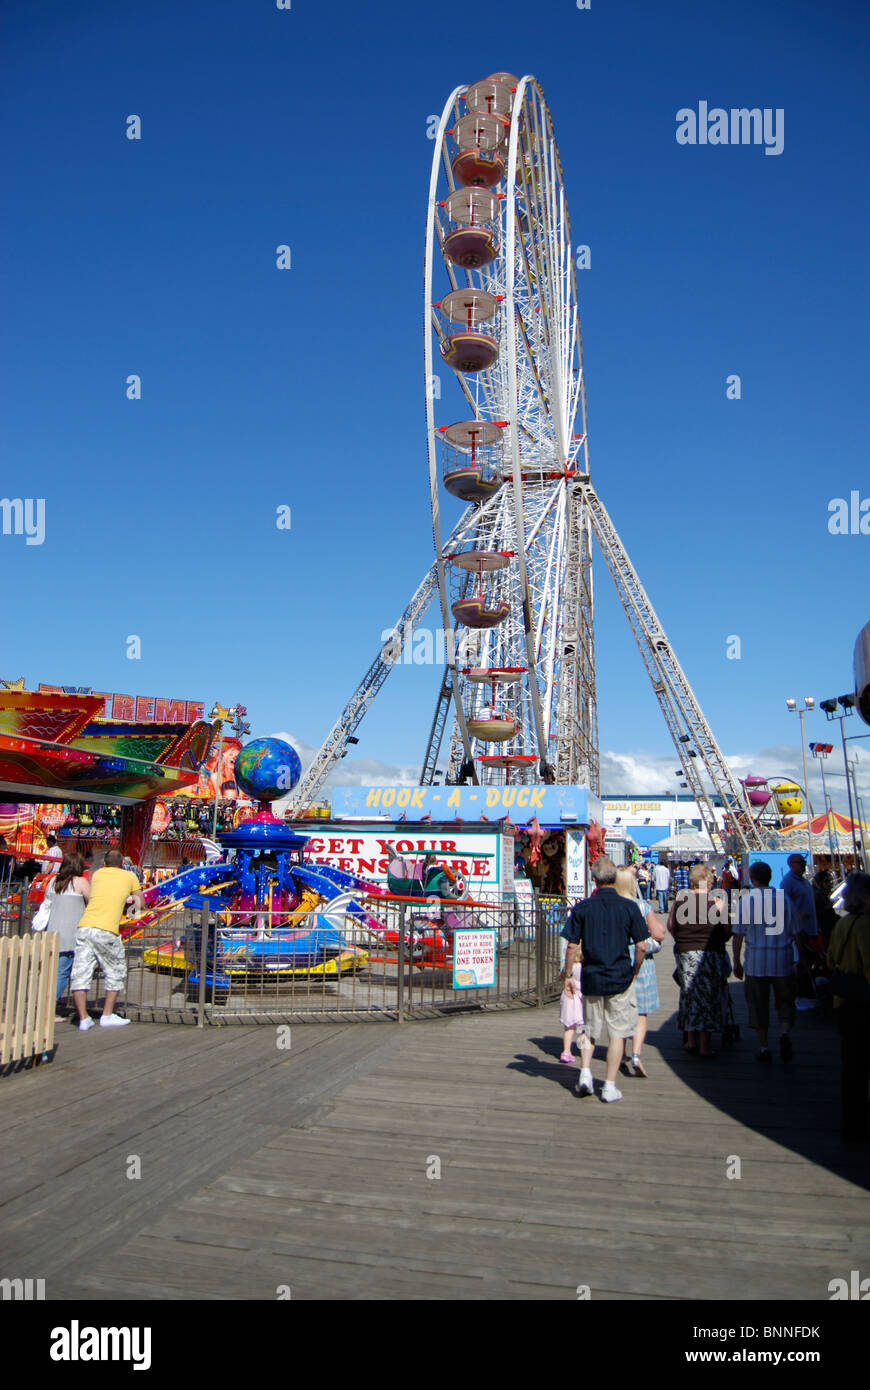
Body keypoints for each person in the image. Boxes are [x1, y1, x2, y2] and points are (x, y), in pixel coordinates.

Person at [562, 856, 647, 1103]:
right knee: (617, 1033)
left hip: (592, 976)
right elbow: (641, 946)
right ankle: (609, 1085)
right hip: (620, 976)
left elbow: (571, 945)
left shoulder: (583, 908)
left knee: (589, 1028)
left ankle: (585, 1073)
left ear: (594, 880)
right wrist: (635, 970)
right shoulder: (629, 907)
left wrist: (568, 975)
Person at [731, 860, 798, 1063]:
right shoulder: (784, 899)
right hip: (782, 960)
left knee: (758, 1005)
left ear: (752, 878)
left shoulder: (747, 900)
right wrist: (801, 958)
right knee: (785, 1002)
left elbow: (738, 935)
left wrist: (736, 961)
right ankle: (785, 1032)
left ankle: (764, 1046)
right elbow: (797, 932)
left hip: (756, 961)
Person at [70, 848, 143, 1031]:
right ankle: (107, 1014)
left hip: (85, 926)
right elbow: (139, 900)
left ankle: (83, 1018)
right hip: (106, 929)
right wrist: (134, 906)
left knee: (81, 972)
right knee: (115, 970)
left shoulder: (97, 875)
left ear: (105, 864)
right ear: (122, 864)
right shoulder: (129, 877)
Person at [669, 863, 732, 1057]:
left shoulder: (680, 902)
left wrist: (683, 939)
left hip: (685, 952)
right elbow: (727, 930)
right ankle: (704, 1045)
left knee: (689, 994)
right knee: (707, 996)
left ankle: (690, 1039)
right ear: (709, 882)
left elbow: (671, 926)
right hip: (710, 953)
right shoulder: (717, 903)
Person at [826, 871, 870, 1143]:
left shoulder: (842, 924)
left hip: (844, 1002)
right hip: (864, 1003)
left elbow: (831, 959)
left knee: (851, 1066)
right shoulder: (866, 926)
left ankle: (849, 1123)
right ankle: (858, 1124)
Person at [614, 865, 666, 1076]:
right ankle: (636, 1054)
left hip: (617, 961)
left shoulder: (612, 906)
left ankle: (621, 1051)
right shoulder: (642, 906)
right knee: (640, 1012)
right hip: (640, 963)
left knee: (619, 1010)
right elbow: (659, 934)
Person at [42, 853, 90, 1021]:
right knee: (62, 973)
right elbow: (92, 902)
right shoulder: (80, 882)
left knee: (50, 973)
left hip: (52, 932)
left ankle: (44, 1005)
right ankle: (48, 1011)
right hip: (70, 934)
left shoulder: (53, 881)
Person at [782, 854, 818, 942]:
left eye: (804, 862)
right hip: (799, 933)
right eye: (801, 863)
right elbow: (783, 906)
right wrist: (797, 914)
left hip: (811, 930)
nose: (804, 865)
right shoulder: (787, 882)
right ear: (791, 864)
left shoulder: (805, 881)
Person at [559, 954, 584, 1063]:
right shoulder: (583, 967)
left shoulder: (569, 967)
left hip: (569, 999)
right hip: (580, 998)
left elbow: (562, 976)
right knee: (584, 1028)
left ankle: (566, 1051)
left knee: (569, 1028)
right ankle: (584, 1050)